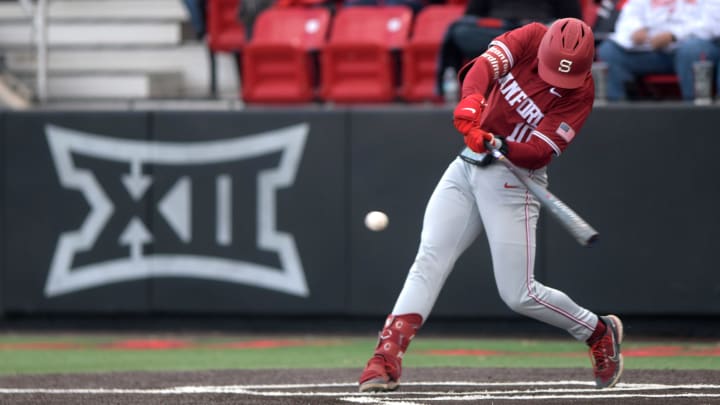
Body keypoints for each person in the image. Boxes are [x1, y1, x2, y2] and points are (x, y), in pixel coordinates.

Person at [358, 18, 624, 393]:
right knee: (429, 258)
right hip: (468, 165)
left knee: (520, 294)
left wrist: (500, 143)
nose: (554, 81)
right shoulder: (531, 37)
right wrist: (471, 103)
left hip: (515, 181)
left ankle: (597, 331)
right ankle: (386, 357)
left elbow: (537, 152)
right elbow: (482, 68)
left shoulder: (580, 93)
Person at [436, 0, 583, 101]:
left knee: (567, 30)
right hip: (497, 30)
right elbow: (472, 14)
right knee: (457, 29)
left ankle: (567, 90)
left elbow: (574, 20)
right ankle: (451, 87)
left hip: (540, 30)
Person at [596, 0, 720, 102]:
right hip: (651, 49)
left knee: (691, 50)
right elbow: (629, 16)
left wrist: (674, 35)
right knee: (609, 50)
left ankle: (696, 111)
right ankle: (620, 114)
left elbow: (713, 24)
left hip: (692, 46)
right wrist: (635, 29)